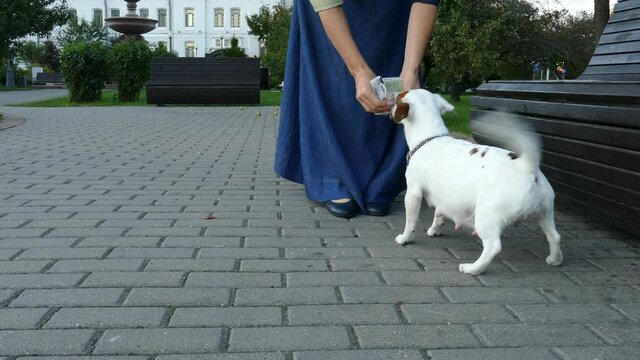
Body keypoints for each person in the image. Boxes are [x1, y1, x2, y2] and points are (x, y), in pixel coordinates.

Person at [275, 0, 439, 218]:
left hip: (394, 8)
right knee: (335, 73)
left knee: (394, 71)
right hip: (328, 6)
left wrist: (411, 68)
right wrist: (359, 71)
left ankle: (382, 181)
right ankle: (333, 177)